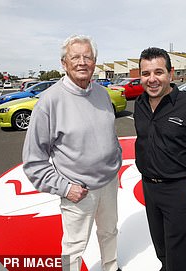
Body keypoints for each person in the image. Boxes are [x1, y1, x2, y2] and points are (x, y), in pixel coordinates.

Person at [22, 34, 122, 271]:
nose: (82, 62)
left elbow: (109, 134)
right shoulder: (49, 102)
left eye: (87, 57)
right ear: (63, 63)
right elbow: (33, 161)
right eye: (74, 57)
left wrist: (114, 164)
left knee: (110, 232)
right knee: (74, 246)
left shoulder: (102, 94)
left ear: (95, 63)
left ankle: (110, 266)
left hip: (109, 184)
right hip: (79, 191)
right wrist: (66, 188)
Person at [134, 47, 186, 271]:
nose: (152, 79)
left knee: (178, 253)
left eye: (158, 72)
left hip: (178, 189)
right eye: (146, 73)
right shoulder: (140, 105)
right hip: (149, 187)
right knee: (160, 245)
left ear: (171, 73)